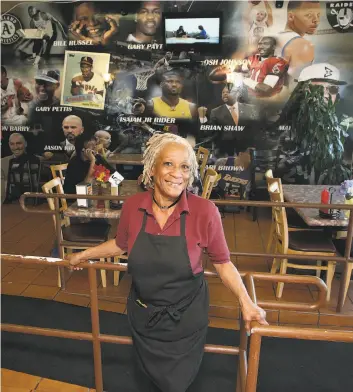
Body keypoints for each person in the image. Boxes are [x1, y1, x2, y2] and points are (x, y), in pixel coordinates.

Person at [66, 132, 267, 392]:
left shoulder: (205, 211)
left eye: (185, 167)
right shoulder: (132, 206)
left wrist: (246, 302)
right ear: (152, 168)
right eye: (168, 164)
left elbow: (222, 262)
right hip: (143, 317)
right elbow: (121, 244)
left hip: (185, 322)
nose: (177, 173)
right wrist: (84, 255)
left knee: (177, 384)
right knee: (146, 381)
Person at [199, 86, 259, 154]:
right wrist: (202, 117)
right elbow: (209, 132)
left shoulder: (250, 109)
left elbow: (257, 128)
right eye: (223, 92)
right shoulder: (216, 112)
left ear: (237, 94)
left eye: (228, 92)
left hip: (247, 152)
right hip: (225, 153)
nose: (225, 94)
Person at [275, 1, 321, 77]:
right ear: (291, 16)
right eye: (309, 15)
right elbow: (295, 86)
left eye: (318, 15)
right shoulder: (304, 46)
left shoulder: (274, 38)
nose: (316, 20)